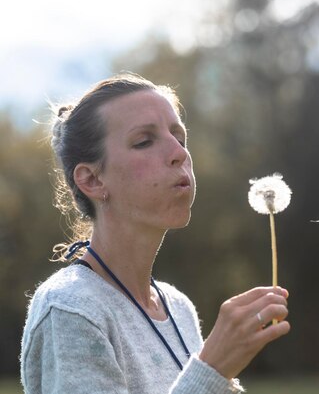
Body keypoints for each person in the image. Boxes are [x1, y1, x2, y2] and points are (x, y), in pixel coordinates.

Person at [20, 73, 290, 394]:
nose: (179, 153)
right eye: (144, 141)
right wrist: (213, 367)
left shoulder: (178, 308)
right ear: (92, 180)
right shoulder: (71, 309)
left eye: (179, 136)